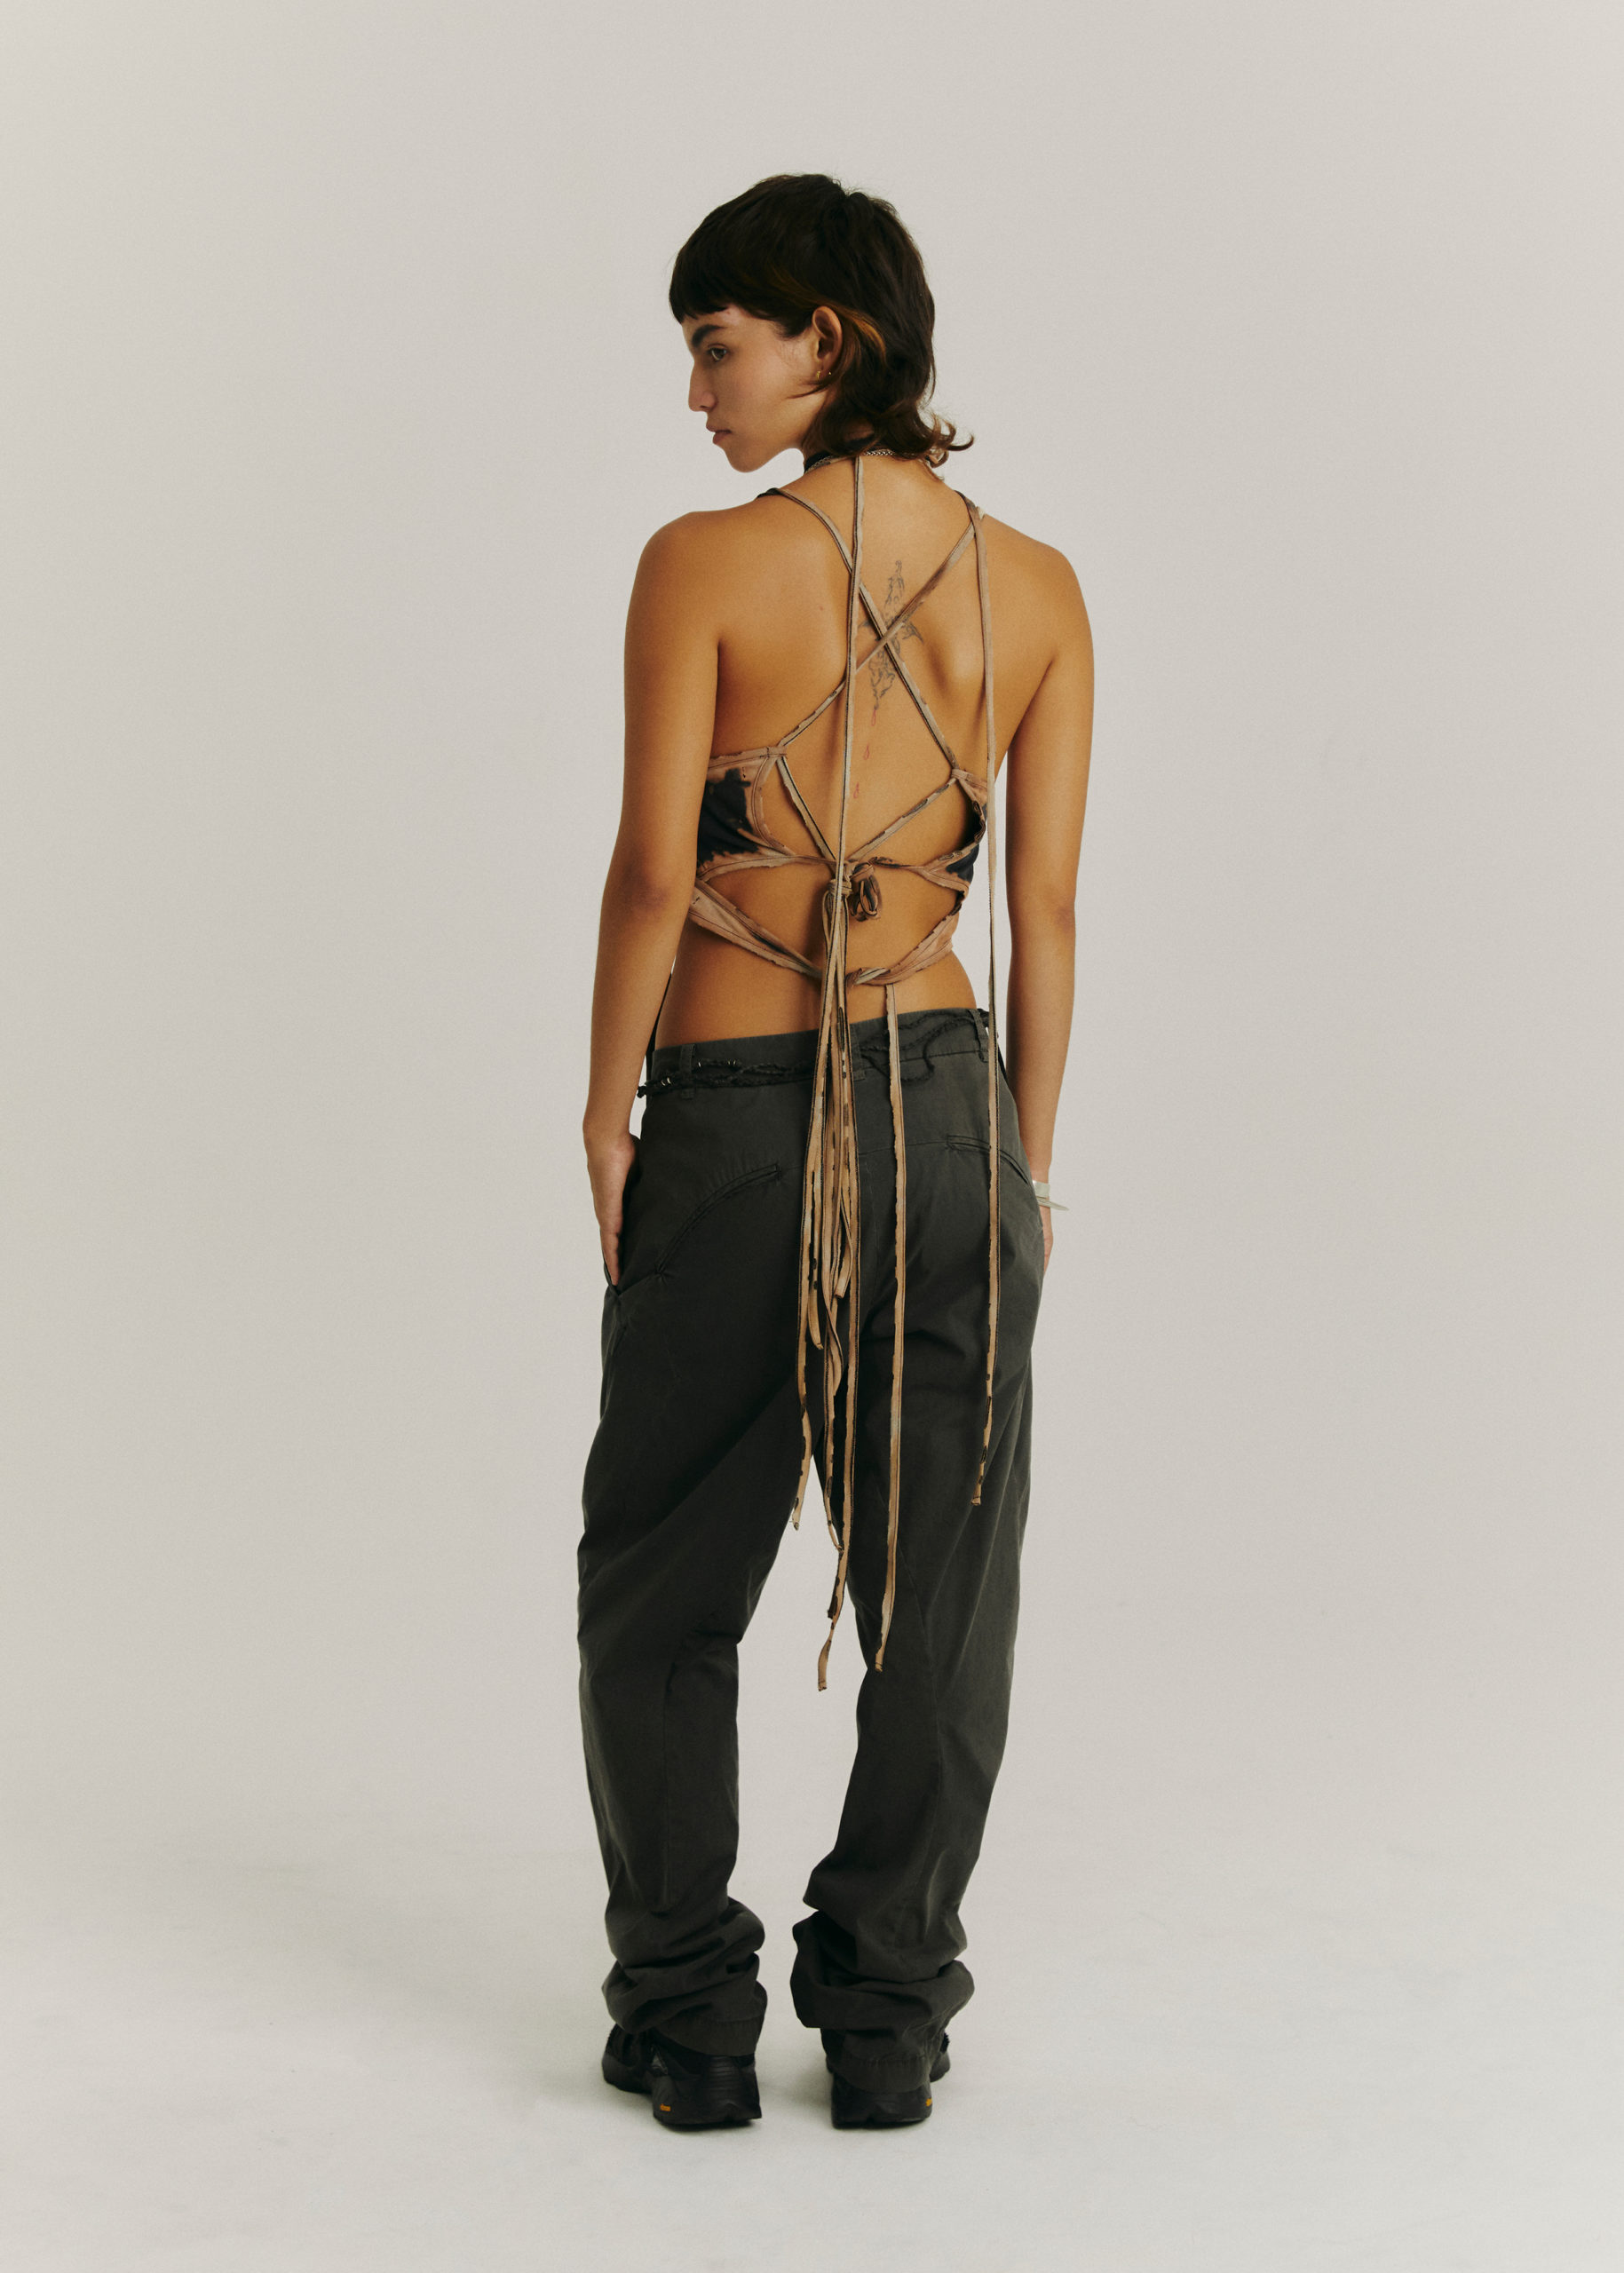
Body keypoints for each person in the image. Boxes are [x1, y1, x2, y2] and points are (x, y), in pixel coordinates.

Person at [578, 172, 1094, 2132]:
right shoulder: (1039, 587)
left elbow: (656, 871)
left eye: (719, 345)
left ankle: (689, 2013)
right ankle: (883, 2016)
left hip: (733, 1104)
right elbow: (1043, 909)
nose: (696, 391)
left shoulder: (702, 564)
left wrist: (603, 1108)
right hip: (948, 1102)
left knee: (662, 1576)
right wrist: (1018, 1167)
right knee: (944, 1588)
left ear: (832, 339)